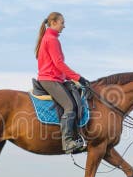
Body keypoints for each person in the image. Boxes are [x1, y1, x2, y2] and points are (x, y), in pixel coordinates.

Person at [34, 12, 91, 153]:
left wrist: (69, 78)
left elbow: (55, 66)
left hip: (54, 78)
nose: (64, 26)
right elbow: (59, 63)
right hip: (49, 80)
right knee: (69, 106)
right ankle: (67, 142)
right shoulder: (52, 40)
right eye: (62, 22)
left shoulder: (49, 38)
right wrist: (78, 78)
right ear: (53, 22)